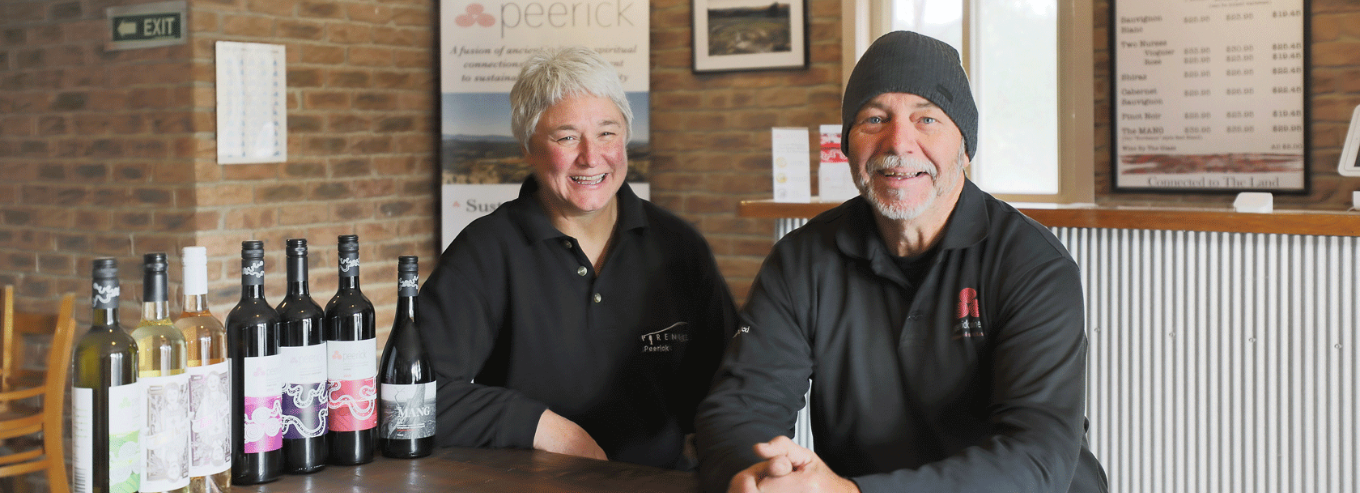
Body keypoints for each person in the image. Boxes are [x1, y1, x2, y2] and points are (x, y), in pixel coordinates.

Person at [694, 31, 1108, 492]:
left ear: (965, 147)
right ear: (848, 145)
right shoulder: (800, 260)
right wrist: (756, 476)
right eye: (874, 118)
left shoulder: (1032, 265)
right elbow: (741, 407)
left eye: (926, 119)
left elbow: (1035, 458)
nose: (899, 142)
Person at [417, 47, 738, 470]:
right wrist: (548, 429)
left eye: (607, 132)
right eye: (566, 137)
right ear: (528, 148)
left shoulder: (678, 244)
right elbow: (412, 393)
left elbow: (731, 378)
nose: (591, 156)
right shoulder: (486, 251)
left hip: (659, 483)